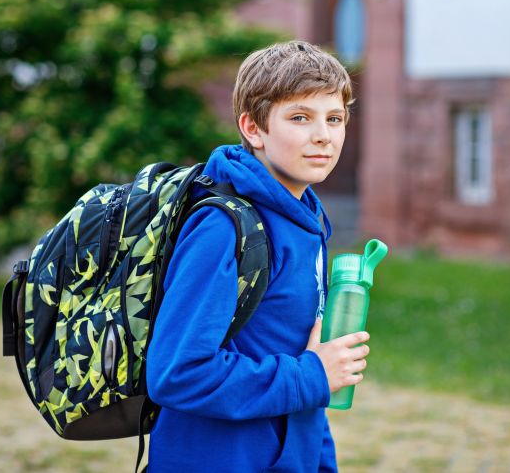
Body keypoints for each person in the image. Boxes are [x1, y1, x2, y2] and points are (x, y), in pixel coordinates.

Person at [145, 41, 371, 472]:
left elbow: (304, 361)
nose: (323, 134)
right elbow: (177, 372)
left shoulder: (306, 217)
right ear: (253, 128)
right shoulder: (222, 228)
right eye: (300, 117)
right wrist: (312, 376)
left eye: (335, 118)